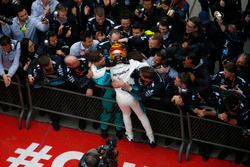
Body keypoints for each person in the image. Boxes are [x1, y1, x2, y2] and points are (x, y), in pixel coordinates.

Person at [109, 43, 156, 147]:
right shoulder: (132, 63)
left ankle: (130, 136)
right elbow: (148, 67)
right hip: (131, 96)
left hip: (120, 97)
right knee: (141, 115)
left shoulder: (112, 69)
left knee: (126, 115)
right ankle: (151, 138)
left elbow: (112, 82)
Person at [89, 51, 123, 139]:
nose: (103, 59)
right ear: (94, 63)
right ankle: (104, 128)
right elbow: (103, 82)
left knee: (119, 112)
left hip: (121, 92)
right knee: (106, 111)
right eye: (100, 59)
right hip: (108, 94)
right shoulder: (93, 73)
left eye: (102, 56)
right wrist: (109, 70)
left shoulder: (109, 59)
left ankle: (119, 129)